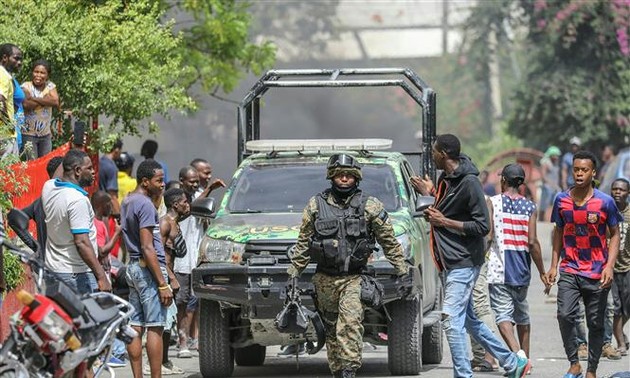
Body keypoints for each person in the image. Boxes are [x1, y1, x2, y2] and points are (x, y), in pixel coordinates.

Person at [410, 133, 530, 378]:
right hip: (449, 261)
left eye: (434, 152)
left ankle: (463, 374)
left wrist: (445, 221)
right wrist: (429, 195)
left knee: (450, 320)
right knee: (468, 321)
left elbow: (482, 226)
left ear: (443, 154)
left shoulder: (469, 182)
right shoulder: (448, 178)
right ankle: (512, 362)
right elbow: (445, 210)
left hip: (464, 261)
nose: (431, 156)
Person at [288, 153, 411, 378]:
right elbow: (303, 242)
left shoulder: (370, 206)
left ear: (357, 178)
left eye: (349, 176)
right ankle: (338, 371)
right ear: (331, 177)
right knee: (332, 331)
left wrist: (402, 272)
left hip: (353, 279)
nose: (344, 179)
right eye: (339, 175)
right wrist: (293, 274)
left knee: (349, 325)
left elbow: (389, 242)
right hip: (324, 280)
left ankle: (349, 370)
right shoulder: (316, 205)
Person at [547, 150, 621, 378]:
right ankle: (574, 362)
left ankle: (591, 370)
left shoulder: (605, 202)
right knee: (564, 314)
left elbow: (615, 234)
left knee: (596, 324)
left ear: (593, 173)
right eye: (576, 169)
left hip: (597, 271)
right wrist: (553, 265)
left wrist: (609, 266)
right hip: (569, 268)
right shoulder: (561, 200)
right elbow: (558, 231)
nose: (579, 174)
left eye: (584, 170)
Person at [486, 163, 549, 368]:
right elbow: (532, 242)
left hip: (499, 268)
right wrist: (542, 271)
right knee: (522, 315)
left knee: (503, 317)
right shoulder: (530, 207)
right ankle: (526, 361)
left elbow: (488, 237)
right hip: (522, 269)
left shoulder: (493, 203)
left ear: (503, 180)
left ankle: (519, 359)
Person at [121, 158, 173, 378]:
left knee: (135, 324)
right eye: (159, 181)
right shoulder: (145, 205)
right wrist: (162, 283)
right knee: (155, 326)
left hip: (133, 267)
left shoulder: (128, 200)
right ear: (145, 181)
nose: (163, 185)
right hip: (148, 270)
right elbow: (147, 246)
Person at [41, 149, 111, 294]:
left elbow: (61, 171)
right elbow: (82, 242)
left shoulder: (49, 188)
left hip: (53, 272)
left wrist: (76, 150)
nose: (93, 172)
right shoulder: (77, 200)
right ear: (77, 170)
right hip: (76, 275)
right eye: (89, 168)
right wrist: (102, 276)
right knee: (87, 316)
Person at [91, 190, 126, 368]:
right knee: (102, 317)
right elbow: (101, 251)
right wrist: (117, 233)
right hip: (99, 278)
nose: (111, 208)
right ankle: (103, 355)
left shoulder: (102, 223)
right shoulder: (96, 224)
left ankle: (109, 352)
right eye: (108, 205)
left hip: (105, 275)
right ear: (100, 205)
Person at [157, 187, 189, 375]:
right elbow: (158, 255)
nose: (188, 205)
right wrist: (171, 278)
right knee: (163, 322)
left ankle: (166, 361)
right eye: (185, 202)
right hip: (165, 277)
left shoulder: (176, 221)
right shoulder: (165, 224)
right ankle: (157, 363)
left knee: (169, 322)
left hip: (171, 275)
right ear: (176, 204)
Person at [174, 166, 205, 357]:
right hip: (181, 262)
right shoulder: (176, 200)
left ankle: (197, 338)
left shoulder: (201, 196)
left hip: (197, 260)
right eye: (191, 181)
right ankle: (182, 341)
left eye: (196, 181)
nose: (195, 184)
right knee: (182, 304)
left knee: (200, 300)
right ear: (181, 180)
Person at [20, 156, 63, 257]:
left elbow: (15, 220)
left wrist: (36, 246)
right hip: (63, 268)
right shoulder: (68, 199)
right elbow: (16, 220)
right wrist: (35, 246)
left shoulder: (40, 201)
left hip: (43, 266)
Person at [21, 59, 59, 159]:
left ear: (47, 75)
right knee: (32, 164)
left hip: (45, 135)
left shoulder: (50, 86)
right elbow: (27, 105)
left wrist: (34, 98)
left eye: (42, 73)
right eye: (36, 71)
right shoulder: (26, 86)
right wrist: (45, 99)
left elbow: (55, 102)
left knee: (45, 164)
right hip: (28, 135)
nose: (38, 75)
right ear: (32, 72)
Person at [610, 178, 630, 356]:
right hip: (610, 268)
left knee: (628, 308)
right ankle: (620, 341)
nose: (617, 192)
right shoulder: (606, 210)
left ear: (628, 193)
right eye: (614, 189)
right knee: (615, 307)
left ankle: (620, 331)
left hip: (628, 267)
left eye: (621, 190)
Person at [0, 43, 23, 157]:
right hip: (5, 136)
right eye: (16, 58)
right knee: (9, 172)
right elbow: (0, 102)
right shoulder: (3, 76)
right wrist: (10, 126)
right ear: (5, 58)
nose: (19, 63)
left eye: (21, 59)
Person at [99, 139, 123, 215]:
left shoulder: (100, 162)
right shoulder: (111, 167)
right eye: (120, 150)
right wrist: (118, 215)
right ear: (116, 150)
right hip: (107, 211)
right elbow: (112, 195)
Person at [540, 146, 562, 221]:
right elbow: (543, 176)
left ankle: (552, 219)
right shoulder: (546, 163)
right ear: (551, 155)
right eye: (555, 155)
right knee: (544, 204)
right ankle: (542, 220)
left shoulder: (556, 164)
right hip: (547, 187)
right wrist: (551, 184)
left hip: (555, 187)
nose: (557, 157)